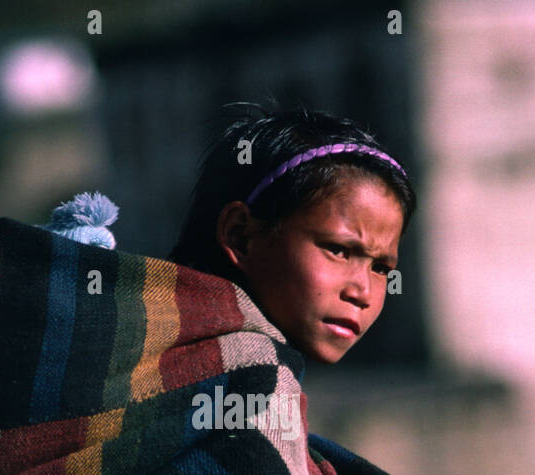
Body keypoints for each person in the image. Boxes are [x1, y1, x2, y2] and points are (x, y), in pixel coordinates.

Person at [169, 102, 413, 366]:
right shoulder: (251, 381)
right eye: (338, 250)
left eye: (380, 268)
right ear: (240, 236)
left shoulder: (148, 327)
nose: (362, 293)